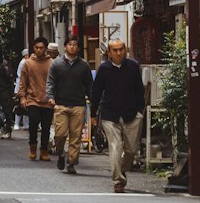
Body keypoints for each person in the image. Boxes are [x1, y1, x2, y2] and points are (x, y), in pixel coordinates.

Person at [91, 37, 145, 193]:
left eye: (121, 49)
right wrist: (94, 113)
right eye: (115, 50)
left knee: (131, 150)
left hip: (131, 113)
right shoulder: (104, 69)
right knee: (115, 147)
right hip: (110, 114)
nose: (119, 52)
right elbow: (96, 92)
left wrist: (139, 110)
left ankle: (121, 170)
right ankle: (118, 181)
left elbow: (139, 90)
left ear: (126, 50)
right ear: (109, 52)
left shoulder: (133, 66)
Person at [46, 36, 93, 174]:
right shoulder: (56, 64)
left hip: (78, 105)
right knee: (60, 135)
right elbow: (51, 82)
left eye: (75, 44)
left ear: (78, 48)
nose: (72, 47)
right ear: (65, 47)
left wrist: (93, 102)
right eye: (70, 44)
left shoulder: (84, 65)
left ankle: (71, 162)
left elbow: (89, 86)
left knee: (76, 136)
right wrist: (50, 97)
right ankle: (60, 153)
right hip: (61, 104)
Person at [18, 37, 54, 160]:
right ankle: (32, 147)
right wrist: (22, 97)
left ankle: (44, 150)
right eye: (36, 48)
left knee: (46, 127)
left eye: (41, 48)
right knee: (33, 124)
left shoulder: (52, 63)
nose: (39, 50)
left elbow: (56, 82)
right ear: (33, 48)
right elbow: (23, 82)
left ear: (46, 49)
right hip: (32, 99)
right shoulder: (28, 63)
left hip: (48, 100)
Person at [13, 47, 30, 130]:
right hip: (21, 86)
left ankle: (25, 123)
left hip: (23, 86)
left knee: (25, 106)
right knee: (19, 106)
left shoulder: (25, 62)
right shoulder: (24, 62)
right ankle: (17, 123)